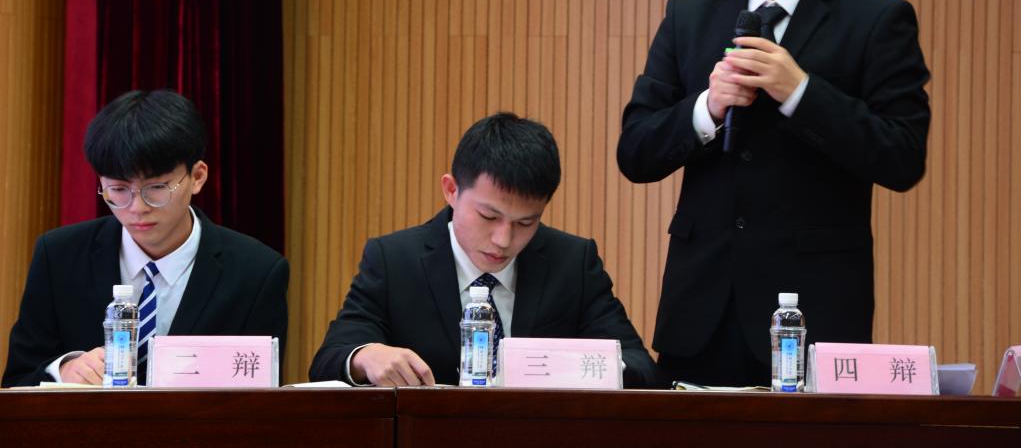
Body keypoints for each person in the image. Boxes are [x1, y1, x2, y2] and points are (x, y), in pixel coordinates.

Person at [617, 0, 931, 387]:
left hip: (816, 315)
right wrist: (707, 108)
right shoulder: (689, 14)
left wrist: (800, 92)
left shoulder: (875, 19)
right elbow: (636, 152)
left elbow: (902, 156)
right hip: (701, 315)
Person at [310, 112, 658, 388]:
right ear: (451, 190)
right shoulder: (394, 260)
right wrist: (365, 356)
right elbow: (330, 359)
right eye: (489, 216)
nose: (503, 240)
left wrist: (562, 366)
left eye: (526, 222)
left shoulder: (572, 263)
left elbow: (640, 367)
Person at [3, 89, 289, 387]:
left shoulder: (256, 272)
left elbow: (263, 395)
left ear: (197, 177)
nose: (137, 207)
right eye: (118, 190)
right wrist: (63, 370)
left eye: (156, 188)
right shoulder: (59, 256)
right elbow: (17, 380)